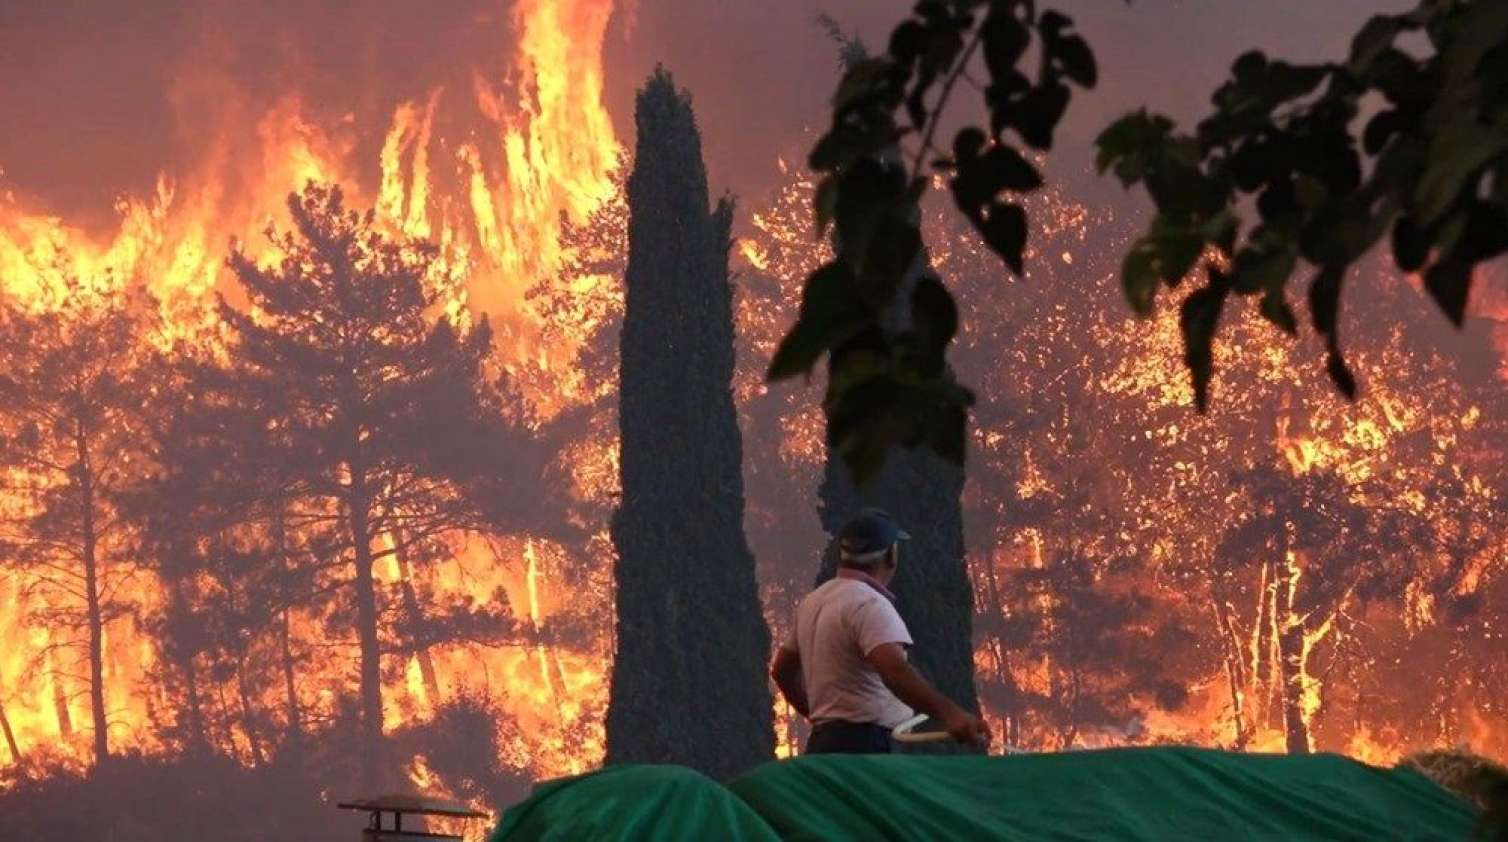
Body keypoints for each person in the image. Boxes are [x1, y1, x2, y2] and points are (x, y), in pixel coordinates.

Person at [770, 508, 991, 754]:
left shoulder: (813, 601)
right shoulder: (870, 605)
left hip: (824, 746)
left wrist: (822, 720)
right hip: (868, 748)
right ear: (891, 555)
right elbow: (894, 670)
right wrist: (951, 715)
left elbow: (782, 671)